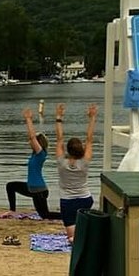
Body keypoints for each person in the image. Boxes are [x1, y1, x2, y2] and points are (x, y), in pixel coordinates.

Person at [4, 110, 62, 219]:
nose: (30, 142)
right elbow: (32, 138)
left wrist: (28, 119)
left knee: (45, 215)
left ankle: (69, 216)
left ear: (38, 143)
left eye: (33, 142)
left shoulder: (41, 153)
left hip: (39, 190)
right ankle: (12, 210)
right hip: (31, 188)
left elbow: (32, 137)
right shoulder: (35, 154)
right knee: (11, 186)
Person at [54, 102, 97, 241]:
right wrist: (92, 118)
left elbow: (59, 139)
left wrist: (59, 117)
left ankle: (76, 239)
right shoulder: (84, 163)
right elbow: (89, 140)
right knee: (82, 230)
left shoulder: (62, 162)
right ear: (81, 150)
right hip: (85, 199)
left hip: (68, 201)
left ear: (68, 150)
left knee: (72, 236)